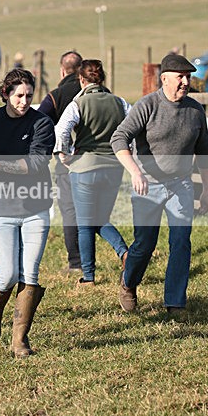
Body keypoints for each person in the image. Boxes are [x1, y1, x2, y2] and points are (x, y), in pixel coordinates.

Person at [111, 53, 208, 318]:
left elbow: (204, 151)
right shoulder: (147, 106)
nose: (185, 82)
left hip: (181, 185)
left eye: (188, 77)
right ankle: (128, 283)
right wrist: (135, 172)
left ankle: (175, 302)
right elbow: (119, 138)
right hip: (148, 186)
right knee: (145, 244)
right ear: (164, 78)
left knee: (181, 242)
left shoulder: (195, 110)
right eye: (180, 77)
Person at [0, 68, 54, 357]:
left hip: (35, 208)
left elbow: (35, 165)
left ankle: (20, 340)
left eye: (29, 95)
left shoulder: (42, 123)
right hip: (1, 209)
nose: (24, 101)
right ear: (5, 93)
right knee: (7, 274)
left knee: (30, 274)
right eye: (18, 95)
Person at [54, 59, 129, 286]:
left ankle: (88, 276)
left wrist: (63, 154)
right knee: (100, 218)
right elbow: (134, 128)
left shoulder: (78, 103)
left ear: (81, 80)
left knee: (86, 223)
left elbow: (62, 129)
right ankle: (124, 252)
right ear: (103, 78)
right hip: (114, 168)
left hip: (85, 168)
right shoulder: (121, 102)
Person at [39, 50, 83, 272]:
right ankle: (121, 250)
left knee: (69, 210)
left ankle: (76, 262)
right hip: (100, 160)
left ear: (62, 70)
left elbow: (39, 124)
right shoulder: (99, 93)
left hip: (68, 161)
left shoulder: (55, 96)